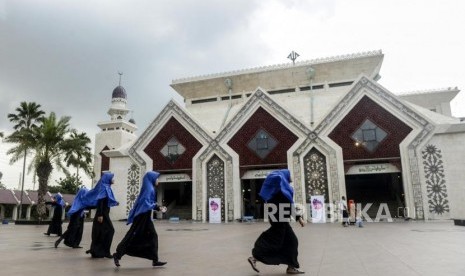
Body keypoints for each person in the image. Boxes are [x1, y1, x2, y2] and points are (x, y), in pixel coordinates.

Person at [247, 169, 305, 274]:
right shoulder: (282, 190)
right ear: (286, 176)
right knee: (276, 240)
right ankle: (255, 257)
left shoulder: (279, 190)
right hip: (279, 218)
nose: (291, 177)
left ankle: (291, 266)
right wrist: (299, 218)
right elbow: (289, 206)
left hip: (278, 218)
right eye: (290, 174)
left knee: (291, 241)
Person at [113, 171, 167, 267]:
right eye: (157, 178)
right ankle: (117, 255)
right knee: (131, 236)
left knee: (153, 235)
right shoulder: (149, 188)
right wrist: (157, 207)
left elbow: (148, 202)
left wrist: (157, 207)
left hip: (145, 216)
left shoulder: (149, 188)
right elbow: (146, 203)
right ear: (152, 178)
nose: (158, 180)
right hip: (141, 217)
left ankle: (155, 260)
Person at [84, 172, 119, 258]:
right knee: (110, 230)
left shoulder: (107, 188)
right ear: (108, 179)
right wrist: (100, 215)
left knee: (100, 232)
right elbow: (100, 202)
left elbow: (106, 201)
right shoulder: (104, 188)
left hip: (104, 214)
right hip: (102, 215)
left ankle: (97, 251)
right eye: (112, 178)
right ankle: (103, 252)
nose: (113, 179)